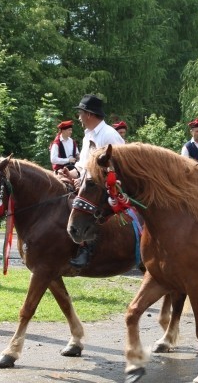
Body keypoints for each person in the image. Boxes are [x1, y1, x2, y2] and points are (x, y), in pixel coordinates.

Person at [63, 94, 125, 268]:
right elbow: (83, 166)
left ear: (88, 114)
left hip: (107, 187)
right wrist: (71, 174)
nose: (79, 118)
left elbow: (121, 166)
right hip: (89, 184)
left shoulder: (109, 135)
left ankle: (87, 249)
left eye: (80, 113)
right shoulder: (87, 136)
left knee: (84, 206)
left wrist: (85, 181)